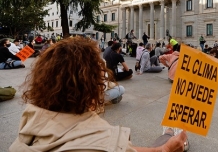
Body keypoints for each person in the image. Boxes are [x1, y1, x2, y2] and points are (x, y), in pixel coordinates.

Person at [9, 37, 187, 151]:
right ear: (91, 84)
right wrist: (165, 149)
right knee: (169, 141)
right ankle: (170, 133)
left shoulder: (30, 121)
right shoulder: (101, 142)